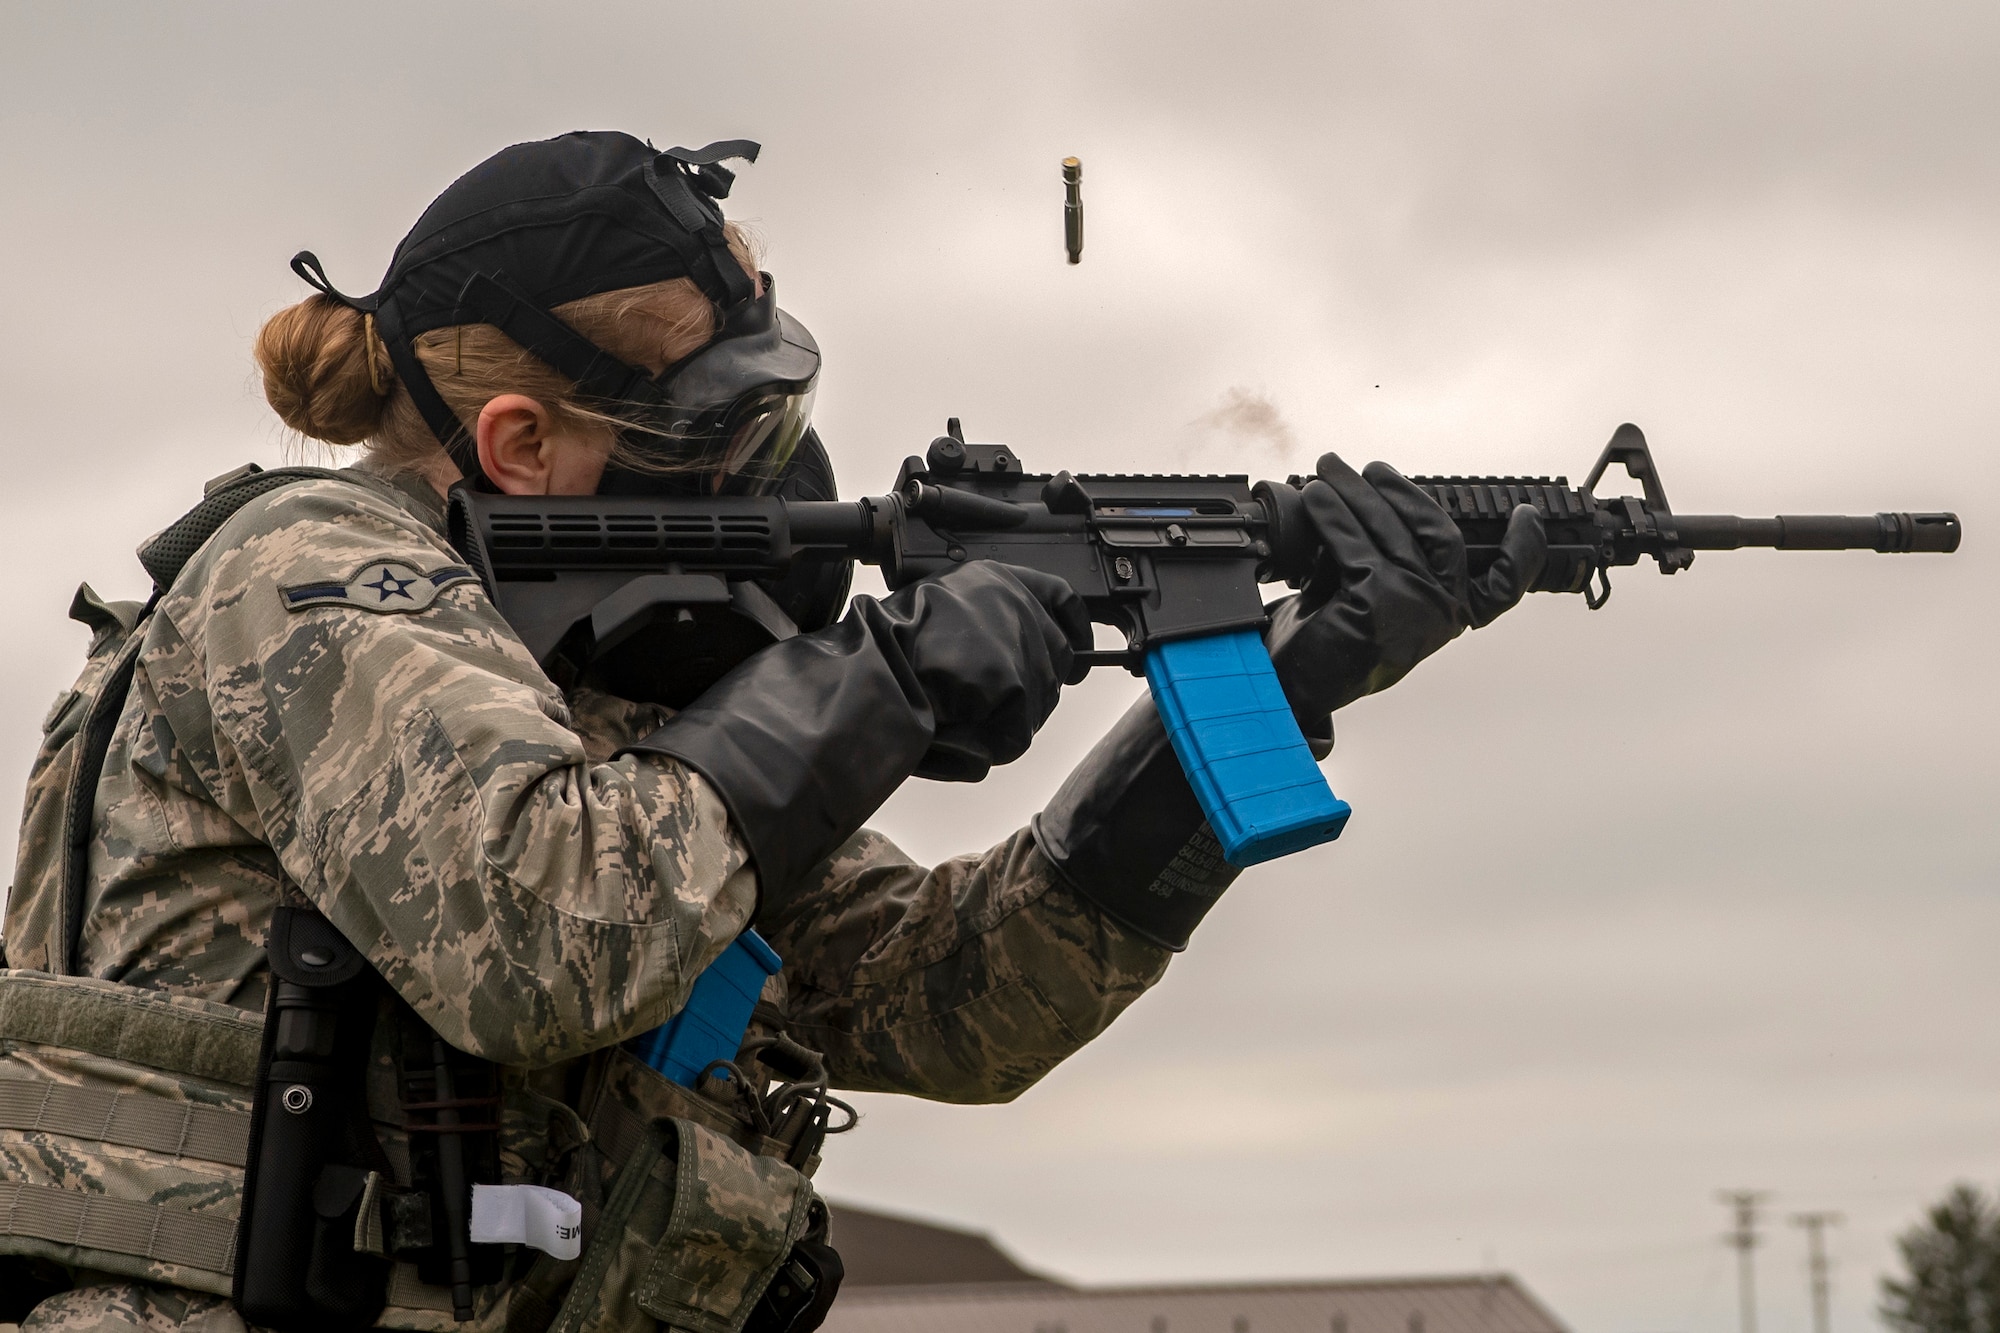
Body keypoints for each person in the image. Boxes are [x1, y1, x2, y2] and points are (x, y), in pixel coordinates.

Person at [0, 132, 1547, 1333]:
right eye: (719, 433)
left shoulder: (596, 703)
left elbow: (955, 1002)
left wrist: (1290, 676)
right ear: (521, 445)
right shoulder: (310, 574)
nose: (779, 472)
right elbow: (545, 933)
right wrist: (887, 678)